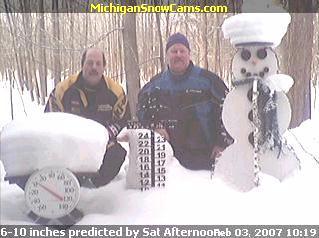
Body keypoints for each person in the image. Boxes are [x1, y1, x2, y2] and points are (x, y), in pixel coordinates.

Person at [137, 33, 233, 170]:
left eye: (182, 51)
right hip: (169, 161)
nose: (178, 55)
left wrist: (222, 143)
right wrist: (154, 125)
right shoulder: (155, 85)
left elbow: (230, 111)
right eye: (174, 51)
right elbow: (141, 111)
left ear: (189, 54)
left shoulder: (208, 81)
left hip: (206, 158)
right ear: (167, 56)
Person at [45, 47, 130, 187]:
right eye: (89, 63)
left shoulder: (116, 92)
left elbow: (122, 121)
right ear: (82, 65)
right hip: (69, 144)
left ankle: (93, 189)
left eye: (98, 63)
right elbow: (49, 120)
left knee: (118, 153)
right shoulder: (63, 89)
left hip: (101, 145)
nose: (94, 67)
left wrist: (106, 135)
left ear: (104, 67)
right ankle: (66, 185)